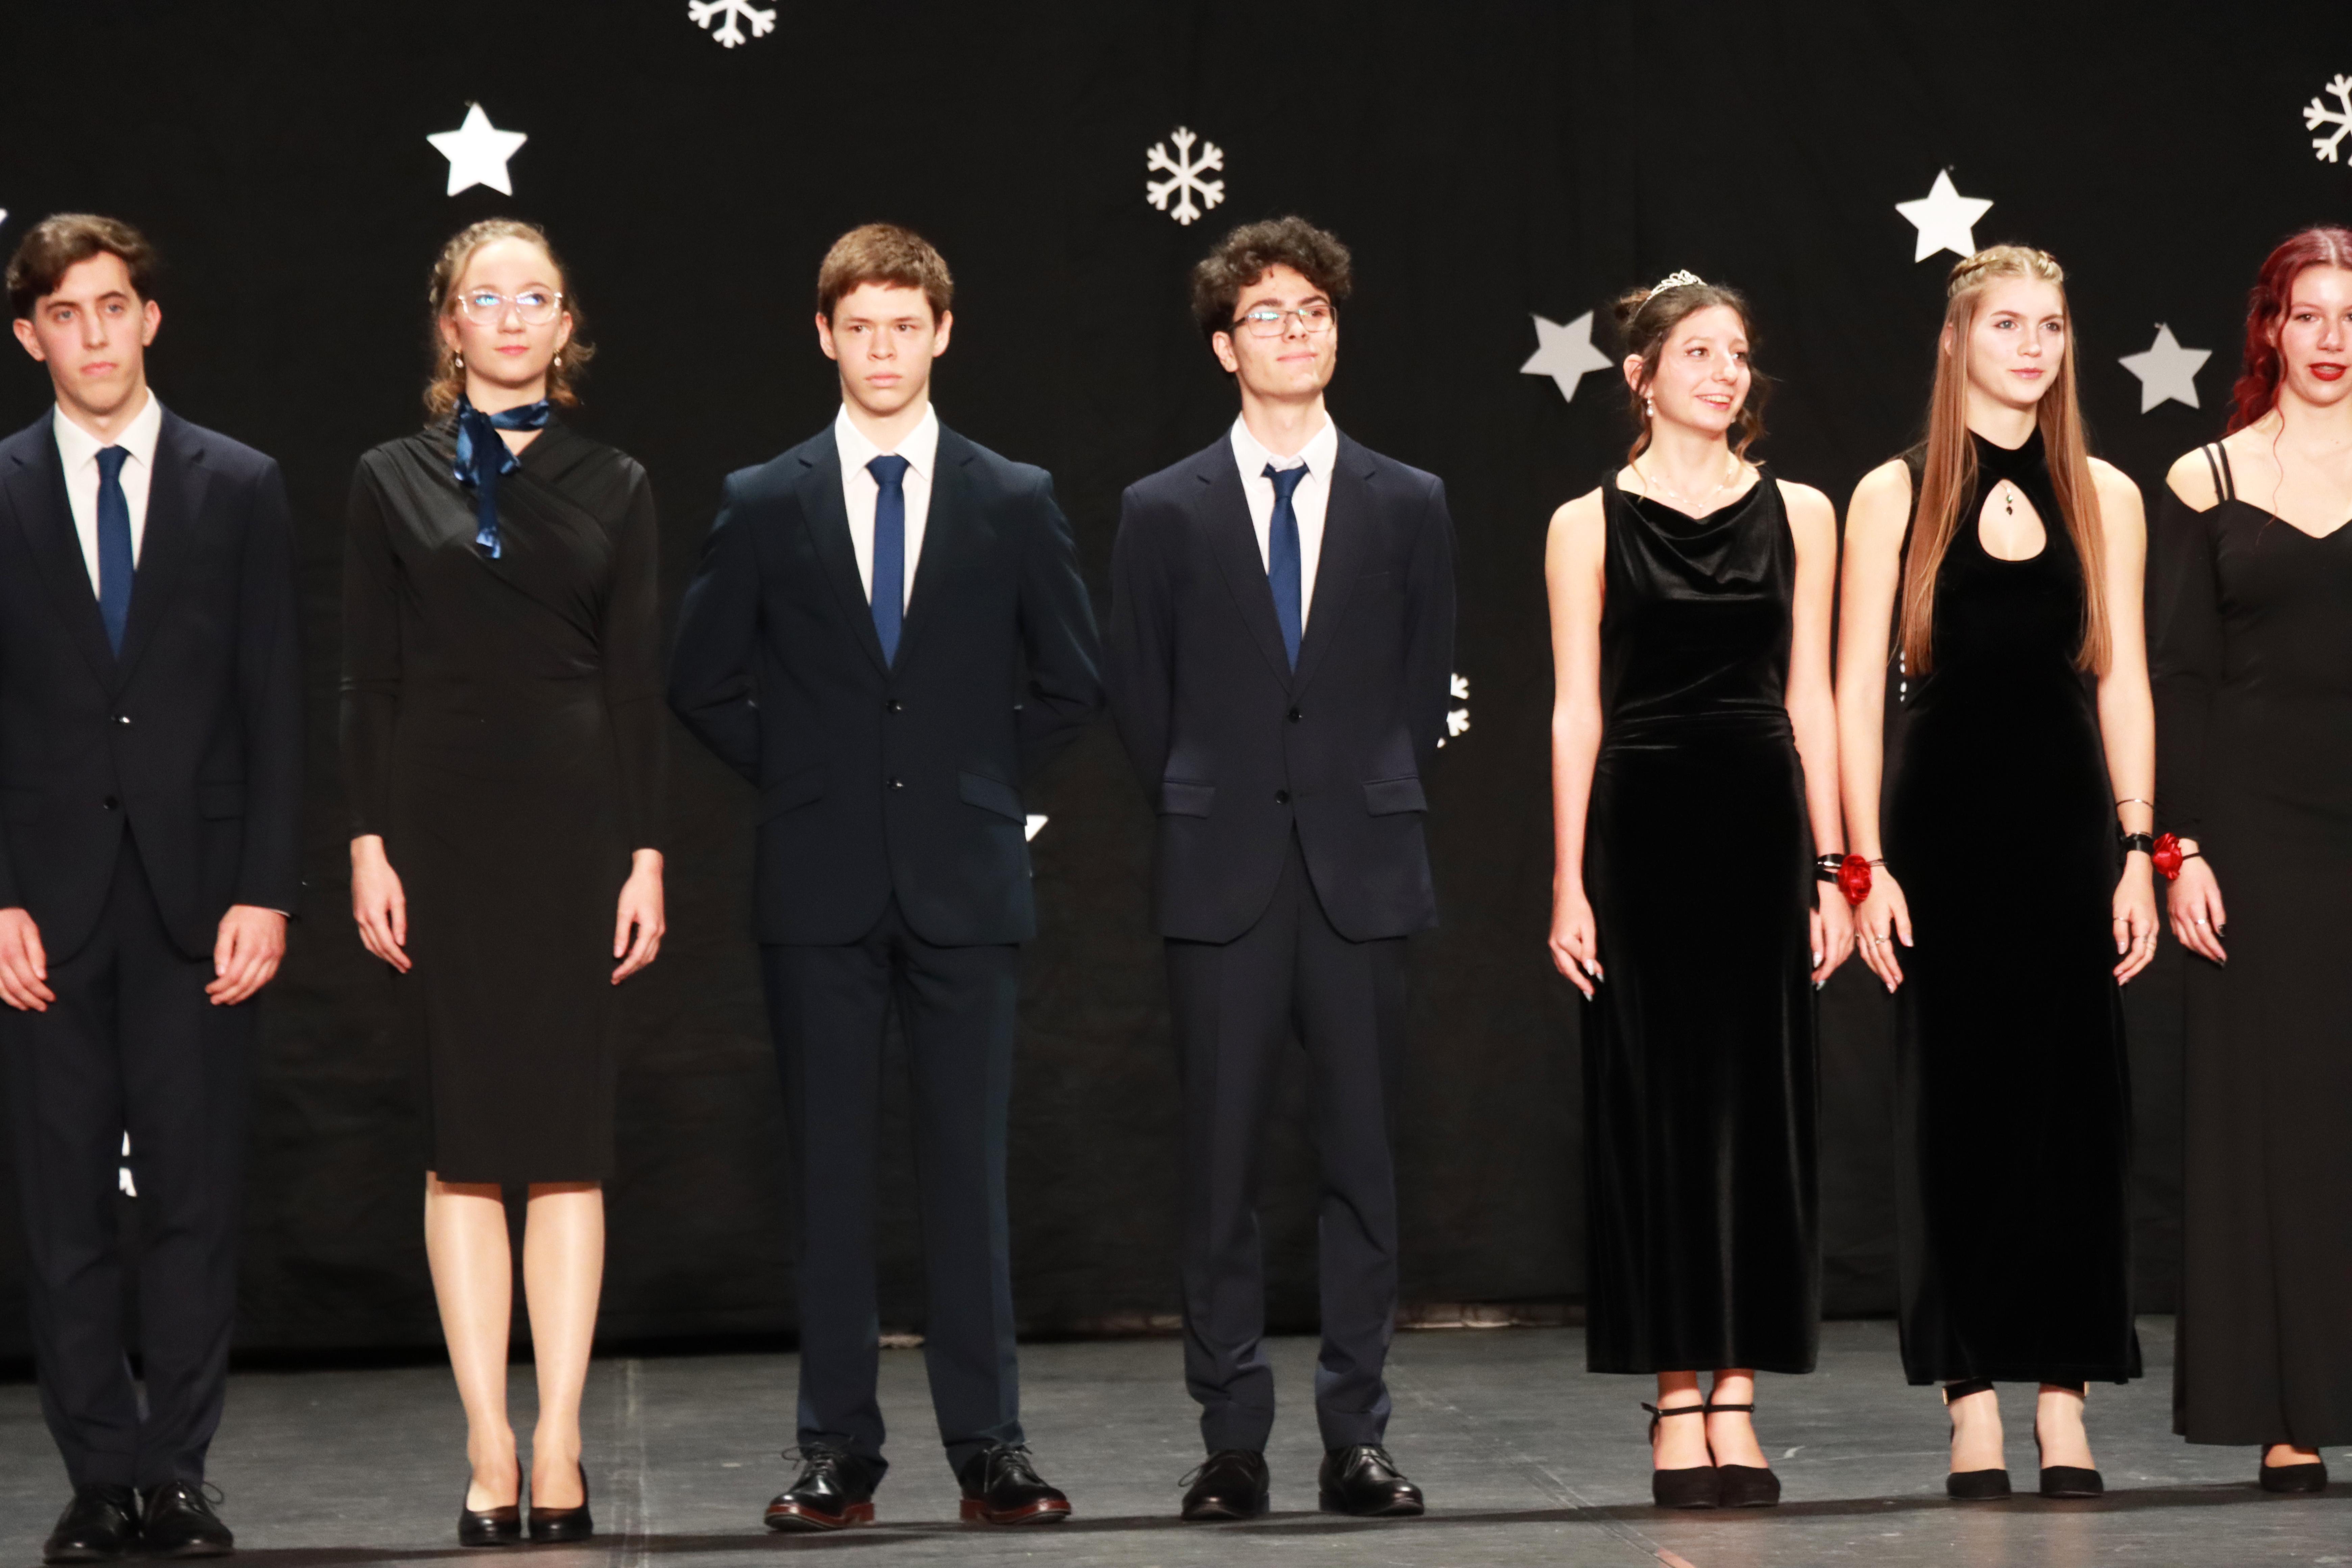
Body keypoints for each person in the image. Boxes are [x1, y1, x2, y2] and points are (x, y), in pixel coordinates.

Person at [668, 223, 1100, 1533]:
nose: (883, 350)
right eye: (860, 328)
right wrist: (810, 779)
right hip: (820, 882)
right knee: (829, 1180)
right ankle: (835, 1452)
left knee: (970, 1176)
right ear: (824, 336)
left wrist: (980, 789)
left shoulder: (1012, 495)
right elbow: (699, 678)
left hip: (966, 880)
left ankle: (992, 1448)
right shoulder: (765, 499)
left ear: (943, 333)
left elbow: (1073, 678)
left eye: (905, 327)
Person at [1104, 216, 1454, 1523]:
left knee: (1364, 1167)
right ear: (1224, 345)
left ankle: (1357, 1436)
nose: (1295, 330)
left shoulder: (1409, 502)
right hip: (1223, 875)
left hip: (1363, 871)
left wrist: (1349, 789)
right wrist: (1220, 795)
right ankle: (1232, 1439)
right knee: (1221, 1176)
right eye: (1268, 313)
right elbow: (1141, 696)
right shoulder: (1162, 510)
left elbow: (1419, 685)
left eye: (1315, 310)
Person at [342, 219, 666, 1546]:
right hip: (440, 829)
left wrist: (647, 852)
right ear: (451, 323)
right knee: (466, 1148)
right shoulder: (387, 478)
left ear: (565, 322)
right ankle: (488, 1439)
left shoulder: (618, 481)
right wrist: (368, 841)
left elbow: (637, 682)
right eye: (490, 296)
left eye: (537, 295)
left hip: (577, 829)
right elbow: (367, 676)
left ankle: (563, 1437)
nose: (514, 315)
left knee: (568, 1144)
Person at [1, 214, 301, 1562]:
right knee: (64, 1208)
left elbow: (273, 700)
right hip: (42, 909)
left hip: (198, 902)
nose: (95, 334)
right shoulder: (0, 487)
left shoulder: (239, 484)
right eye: (66, 314)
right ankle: (96, 1479)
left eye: (113, 306)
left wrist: (266, 888)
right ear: (31, 336)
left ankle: (176, 1471)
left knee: (191, 1200)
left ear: (150, 318)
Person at [1836, 245, 2154, 1501]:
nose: (2032, 346)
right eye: (2008, 323)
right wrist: (1863, 861)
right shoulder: (1893, 491)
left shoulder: (2104, 493)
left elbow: (2122, 680)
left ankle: (2065, 1400)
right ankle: (1970, 1401)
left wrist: (2139, 847)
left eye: (2052, 326)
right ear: (1957, 339)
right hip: (1940, 841)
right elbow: (1854, 692)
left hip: (2070, 836)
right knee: (1955, 1116)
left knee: (2075, 1119)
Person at [1545, 271, 1847, 1511]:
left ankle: (1739, 1394)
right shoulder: (1585, 523)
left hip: (1762, 826)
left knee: (1758, 1113)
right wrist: (1567, 881)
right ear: (1643, 376)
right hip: (1645, 832)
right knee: (1657, 1112)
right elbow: (1576, 710)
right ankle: (1678, 1395)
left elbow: (1812, 695)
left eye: (1738, 354)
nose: (1727, 373)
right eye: (1700, 353)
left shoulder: (1803, 511)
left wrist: (1834, 867)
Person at [2152, 224, 2352, 1493]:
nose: (2332, 339)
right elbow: (2180, 678)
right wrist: (2179, 849)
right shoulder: (2207, 478)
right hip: (2259, 834)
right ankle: (2290, 1405)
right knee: (2278, 1118)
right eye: (2308, 313)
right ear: (2269, 327)